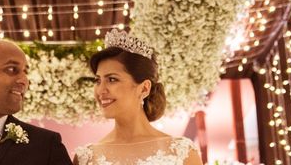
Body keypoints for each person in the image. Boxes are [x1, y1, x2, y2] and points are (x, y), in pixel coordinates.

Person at [73, 29, 204, 165]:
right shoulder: (86, 158)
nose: (100, 90)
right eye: (98, 80)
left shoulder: (182, 153)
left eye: (112, 79)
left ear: (144, 88)